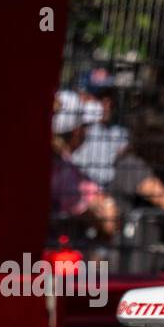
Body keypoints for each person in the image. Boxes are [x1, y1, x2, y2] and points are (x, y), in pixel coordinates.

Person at [50, 90, 118, 240]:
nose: (87, 132)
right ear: (76, 132)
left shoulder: (65, 162)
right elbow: (108, 224)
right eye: (85, 126)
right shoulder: (61, 168)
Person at [72, 68, 129, 187]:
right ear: (83, 97)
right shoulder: (72, 128)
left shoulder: (118, 131)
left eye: (110, 95)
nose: (108, 102)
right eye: (100, 96)